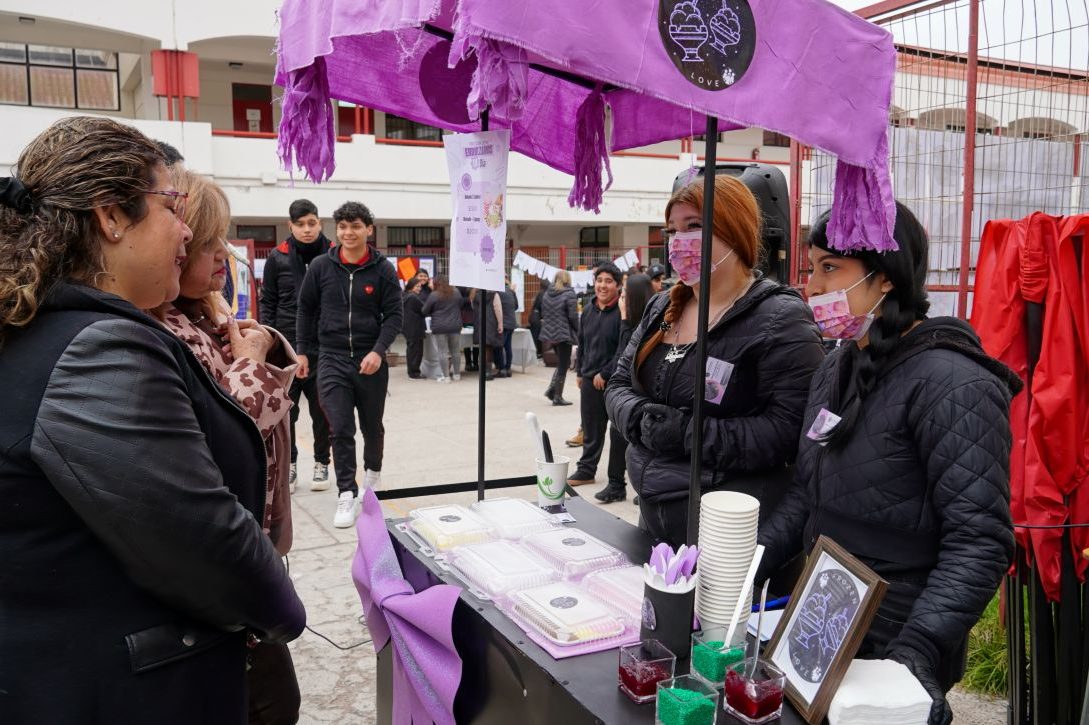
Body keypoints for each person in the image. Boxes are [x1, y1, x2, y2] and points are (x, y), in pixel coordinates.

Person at [0, 116, 305, 724]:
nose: (186, 231)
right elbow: (203, 540)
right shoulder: (99, 348)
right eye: (170, 206)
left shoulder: (54, 327)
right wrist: (281, 608)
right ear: (111, 216)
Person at [757, 203, 1020, 725]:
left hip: (900, 636)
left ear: (886, 278)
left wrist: (917, 651)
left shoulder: (955, 384)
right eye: (811, 267)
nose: (812, 286)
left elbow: (980, 539)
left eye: (830, 267)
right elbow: (806, 493)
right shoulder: (834, 367)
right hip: (824, 621)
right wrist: (746, 565)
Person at [605, 175, 825, 546]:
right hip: (653, 513)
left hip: (730, 527)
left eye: (694, 226)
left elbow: (790, 430)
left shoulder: (780, 318)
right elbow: (619, 383)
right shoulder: (662, 307)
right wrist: (639, 418)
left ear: (735, 232)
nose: (678, 241)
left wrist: (689, 434)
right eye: (672, 230)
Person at [156, 169, 302, 725]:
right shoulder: (157, 330)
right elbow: (227, 434)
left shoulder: (199, 315)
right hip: (224, 564)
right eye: (205, 242)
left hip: (248, 545)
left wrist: (257, 347)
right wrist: (253, 362)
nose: (222, 255)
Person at [296, 201, 402, 528]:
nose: (348, 232)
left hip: (370, 359)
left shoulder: (383, 270)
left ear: (369, 229)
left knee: (372, 426)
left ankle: (372, 478)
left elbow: (394, 315)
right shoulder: (320, 267)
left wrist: (379, 351)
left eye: (355, 226)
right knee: (340, 427)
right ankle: (346, 491)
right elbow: (305, 310)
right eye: (342, 226)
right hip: (331, 358)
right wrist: (302, 352)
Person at [260, 198, 333, 493]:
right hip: (287, 347)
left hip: (324, 346)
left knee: (322, 411)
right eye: (300, 224)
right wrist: (269, 340)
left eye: (312, 223)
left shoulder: (333, 255)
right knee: (286, 412)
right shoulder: (277, 258)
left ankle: (322, 462)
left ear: (320, 224)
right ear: (289, 226)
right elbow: (268, 302)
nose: (307, 229)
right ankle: (289, 464)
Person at [595, 272, 654, 504]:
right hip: (629, 390)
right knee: (617, 431)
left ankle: (643, 489)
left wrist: (624, 320)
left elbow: (626, 352)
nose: (622, 297)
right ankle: (616, 485)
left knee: (641, 441)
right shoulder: (629, 320)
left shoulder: (657, 320)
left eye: (626, 293)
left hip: (645, 389)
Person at [567, 263, 624, 488]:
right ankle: (586, 470)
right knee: (591, 428)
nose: (603, 285)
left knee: (619, 432)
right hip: (590, 379)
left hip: (615, 381)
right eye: (599, 280)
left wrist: (606, 372)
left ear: (618, 285)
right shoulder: (589, 309)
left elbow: (624, 348)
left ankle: (618, 477)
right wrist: (580, 371)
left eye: (608, 281)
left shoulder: (622, 312)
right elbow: (582, 343)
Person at [539, 270, 579, 406]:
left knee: (562, 363)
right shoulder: (569, 294)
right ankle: (557, 396)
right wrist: (579, 330)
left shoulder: (547, 294)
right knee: (564, 364)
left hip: (550, 334)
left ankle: (552, 390)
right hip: (563, 334)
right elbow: (573, 316)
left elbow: (544, 313)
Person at [422, 276, 464, 383]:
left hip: (439, 326)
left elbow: (425, 310)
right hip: (455, 325)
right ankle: (457, 375)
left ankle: (446, 377)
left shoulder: (434, 295)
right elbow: (461, 304)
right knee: (455, 351)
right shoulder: (456, 292)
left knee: (442, 352)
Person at [469, 287, 504, 381]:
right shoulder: (494, 294)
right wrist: (500, 323)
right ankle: (487, 372)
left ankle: (482, 371)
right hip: (490, 323)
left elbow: (473, 308)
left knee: (482, 348)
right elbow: (498, 310)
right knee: (489, 348)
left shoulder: (474, 294)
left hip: (479, 323)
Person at [402, 277, 427, 379]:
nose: (419, 289)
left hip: (408, 327)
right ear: (411, 286)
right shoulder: (413, 297)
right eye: (417, 286)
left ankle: (412, 371)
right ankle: (414, 373)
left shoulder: (405, 295)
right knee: (416, 351)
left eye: (420, 287)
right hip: (415, 327)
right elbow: (424, 309)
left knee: (411, 350)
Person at [496, 277, 518, 377]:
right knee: (508, 346)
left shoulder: (497, 292)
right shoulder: (511, 291)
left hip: (503, 323)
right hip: (511, 323)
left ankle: (502, 369)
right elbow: (516, 306)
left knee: (499, 346)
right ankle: (508, 368)